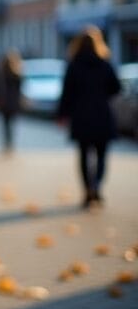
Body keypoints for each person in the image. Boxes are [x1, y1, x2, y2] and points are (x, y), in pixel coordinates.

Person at [57, 26, 121, 209]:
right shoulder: (105, 63)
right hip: (102, 115)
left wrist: (62, 114)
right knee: (101, 155)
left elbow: (66, 93)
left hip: (81, 116)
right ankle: (97, 186)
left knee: (84, 155)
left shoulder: (74, 64)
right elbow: (116, 88)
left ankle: (87, 190)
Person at [0, 50, 23, 153]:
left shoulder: (1, 72)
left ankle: (7, 142)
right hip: (13, 102)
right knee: (11, 124)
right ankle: (10, 143)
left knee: (5, 124)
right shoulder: (17, 73)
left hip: (4, 102)